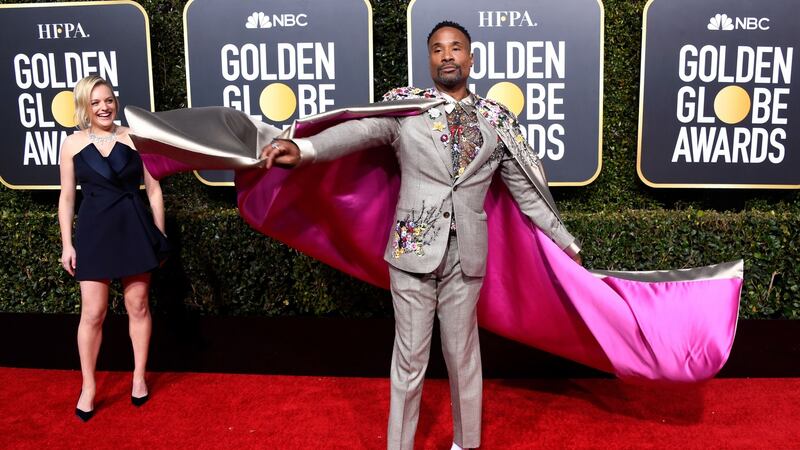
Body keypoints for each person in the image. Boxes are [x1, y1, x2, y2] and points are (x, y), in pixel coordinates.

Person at [260, 21, 581, 450]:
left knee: (463, 357)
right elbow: (357, 131)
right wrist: (305, 150)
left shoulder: (496, 121)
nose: (447, 55)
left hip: (467, 254)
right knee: (409, 359)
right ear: (429, 59)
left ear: (471, 58)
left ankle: (467, 445)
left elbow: (526, 190)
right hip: (411, 250)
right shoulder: (406, 112)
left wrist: (565, 241)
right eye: (437, 49)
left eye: (455, 48)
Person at [58, 75, 169, 422]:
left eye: (108, 100)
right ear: (84, 107)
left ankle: (138, 377)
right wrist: (66, 244)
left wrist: (159, 235)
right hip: (94, 230)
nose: (104, 107)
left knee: (138, 305)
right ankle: (88, 386)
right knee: (93, 313)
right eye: (95, 102)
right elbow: (65, 198)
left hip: (133, 227)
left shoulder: (135, 137)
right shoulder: (71, 144)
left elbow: (153, 190)